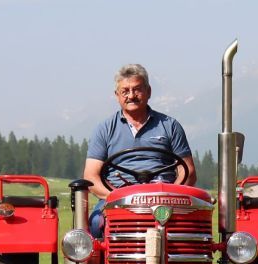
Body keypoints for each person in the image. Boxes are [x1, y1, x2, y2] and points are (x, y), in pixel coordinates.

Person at [83, 64, 196, 237]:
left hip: (163, 197)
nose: (131, 96)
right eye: (125, 91)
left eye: (137, 90)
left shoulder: (170, 126)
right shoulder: (104, 129)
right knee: (96, 224)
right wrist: (117, 197)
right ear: (117, 96)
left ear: (148, 91)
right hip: (117, 196)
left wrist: (171, 196)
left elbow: (188, 172)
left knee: (192, 228)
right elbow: (91, 176)